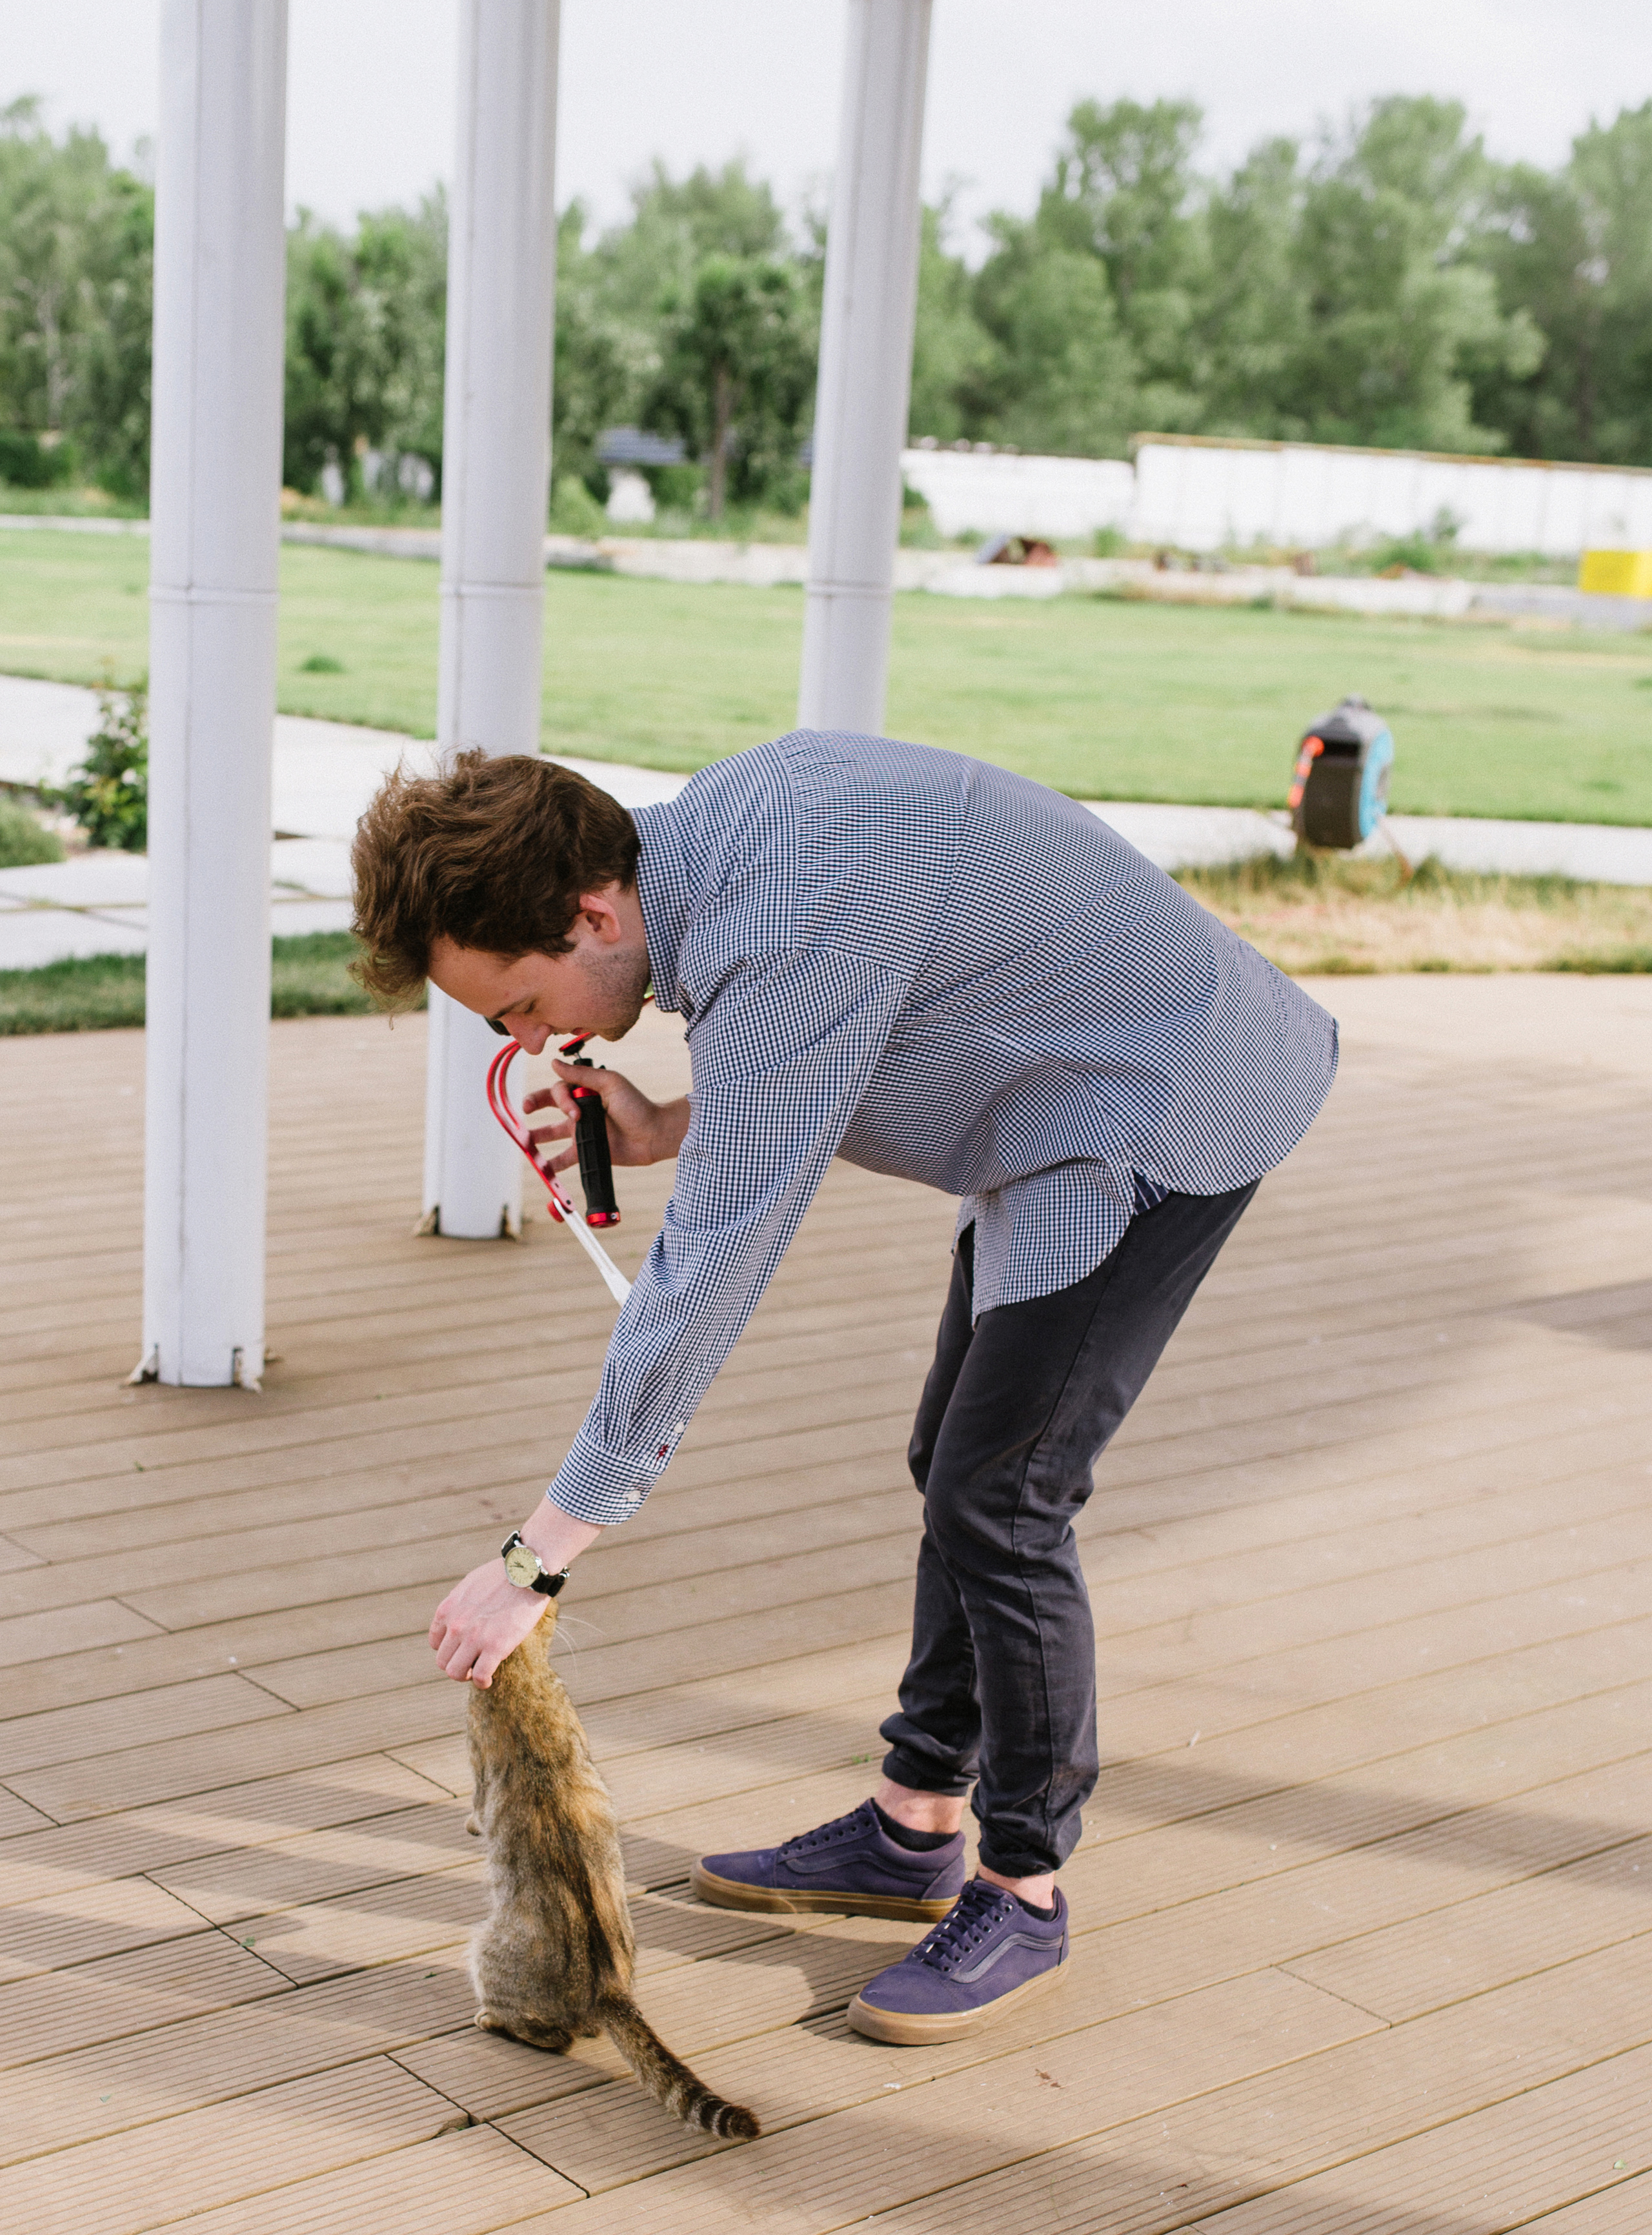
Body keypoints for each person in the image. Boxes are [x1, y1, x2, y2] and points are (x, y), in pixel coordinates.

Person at [350, 731, 1336, 2045]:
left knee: (1006, 1494)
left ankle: (1023, 1887)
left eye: (518, 1005)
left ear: (592, 910)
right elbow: (819, 1043)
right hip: (1051, 1106)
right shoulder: (713, 849)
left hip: (1159, 1108)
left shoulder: (788, 908)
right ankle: (911, 1826)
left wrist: (537, 1558)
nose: (531, 1039)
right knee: (961, 1467)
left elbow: (709, 1264)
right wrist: (661, 1127)